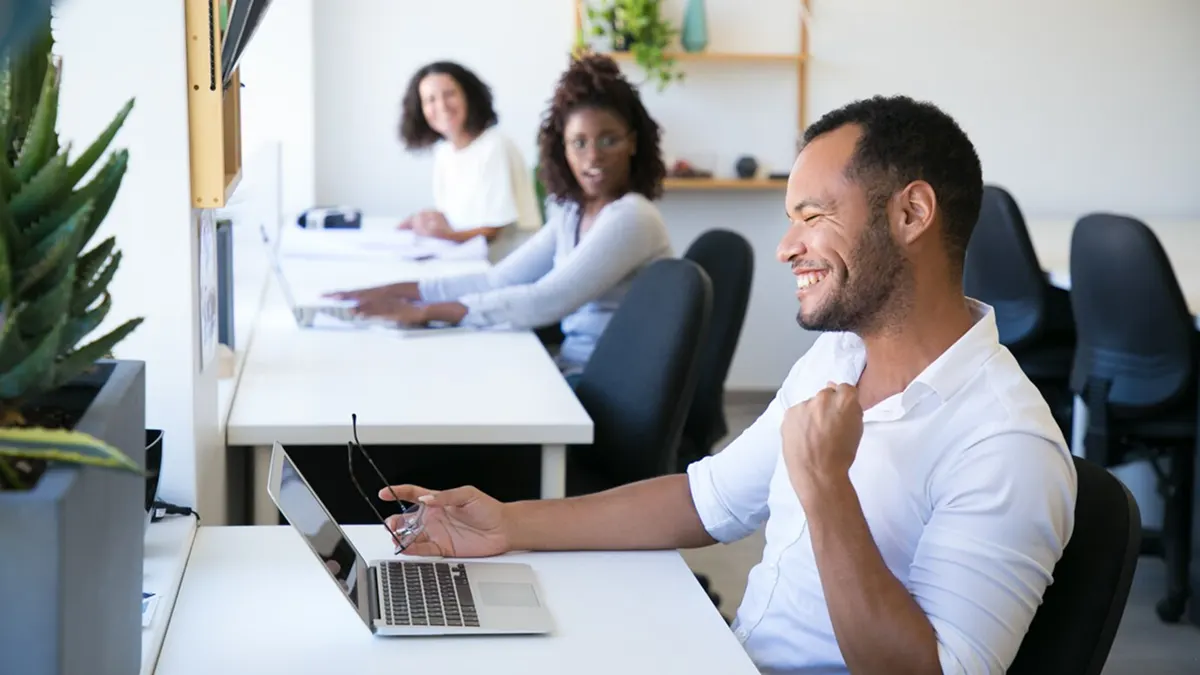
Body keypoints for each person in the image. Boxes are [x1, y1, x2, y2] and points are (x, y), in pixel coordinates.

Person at [373, 95, 1078, 674]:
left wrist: (826, 487)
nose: (786, 246)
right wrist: (511, 523)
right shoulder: (836, 358)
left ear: (912, 213)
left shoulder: (1006, 443)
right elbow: (705, 498)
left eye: (813, 214)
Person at [329, 54, 673, 378]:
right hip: (571, 366)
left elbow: (546, 300)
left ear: (634, 143)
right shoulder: (574, 212)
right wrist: (396, 291)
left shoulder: (633, 217)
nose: (593, 157)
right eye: (579, 143)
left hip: (605, 384)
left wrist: (424, 311)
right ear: (562, 149)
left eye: (609, 140)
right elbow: (499, 280)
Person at [397, 61, 542, 261]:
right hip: (468, 261)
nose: (442, 106)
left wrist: (443, 236)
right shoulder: (445, 152)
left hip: (507, 265)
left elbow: (492, 232)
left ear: (468, 96)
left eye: (449, 94)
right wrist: (423, 221)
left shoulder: (494, 145)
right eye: (430, 99)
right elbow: (457, 218)